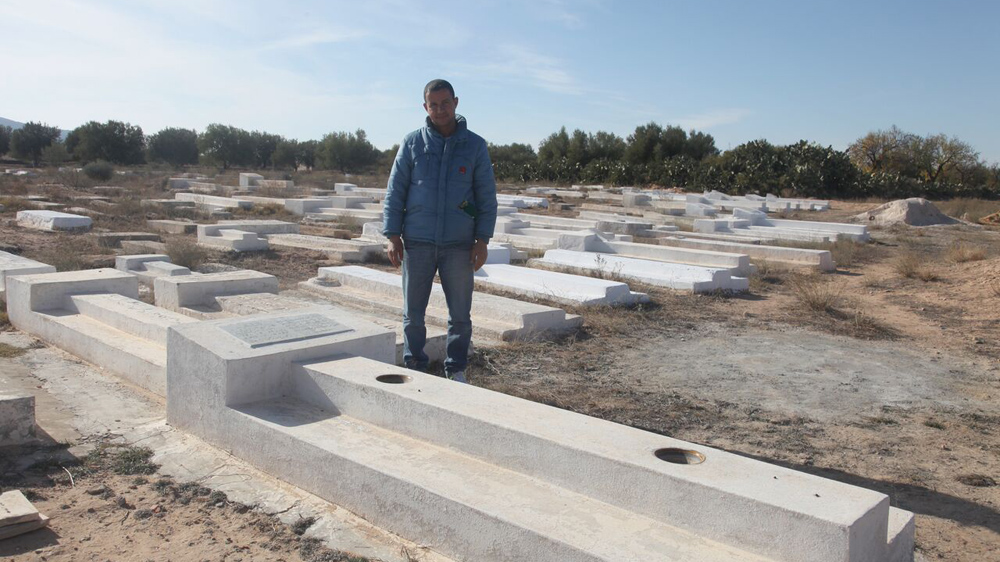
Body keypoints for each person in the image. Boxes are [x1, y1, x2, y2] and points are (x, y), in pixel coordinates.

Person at [382, 79, 498, 383]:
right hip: (417, 242)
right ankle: (415, 365)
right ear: (425, 107)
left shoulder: (474, 146)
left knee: (460, 314)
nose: (440, 109)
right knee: (413, 314)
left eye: (445, 103)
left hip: (458, 244)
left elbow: (486, 197)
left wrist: (482, 240)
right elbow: (396, 191)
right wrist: (393, 235)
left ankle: (456, 368)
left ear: (456, 103)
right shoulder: (411, 144)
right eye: (433, 104)